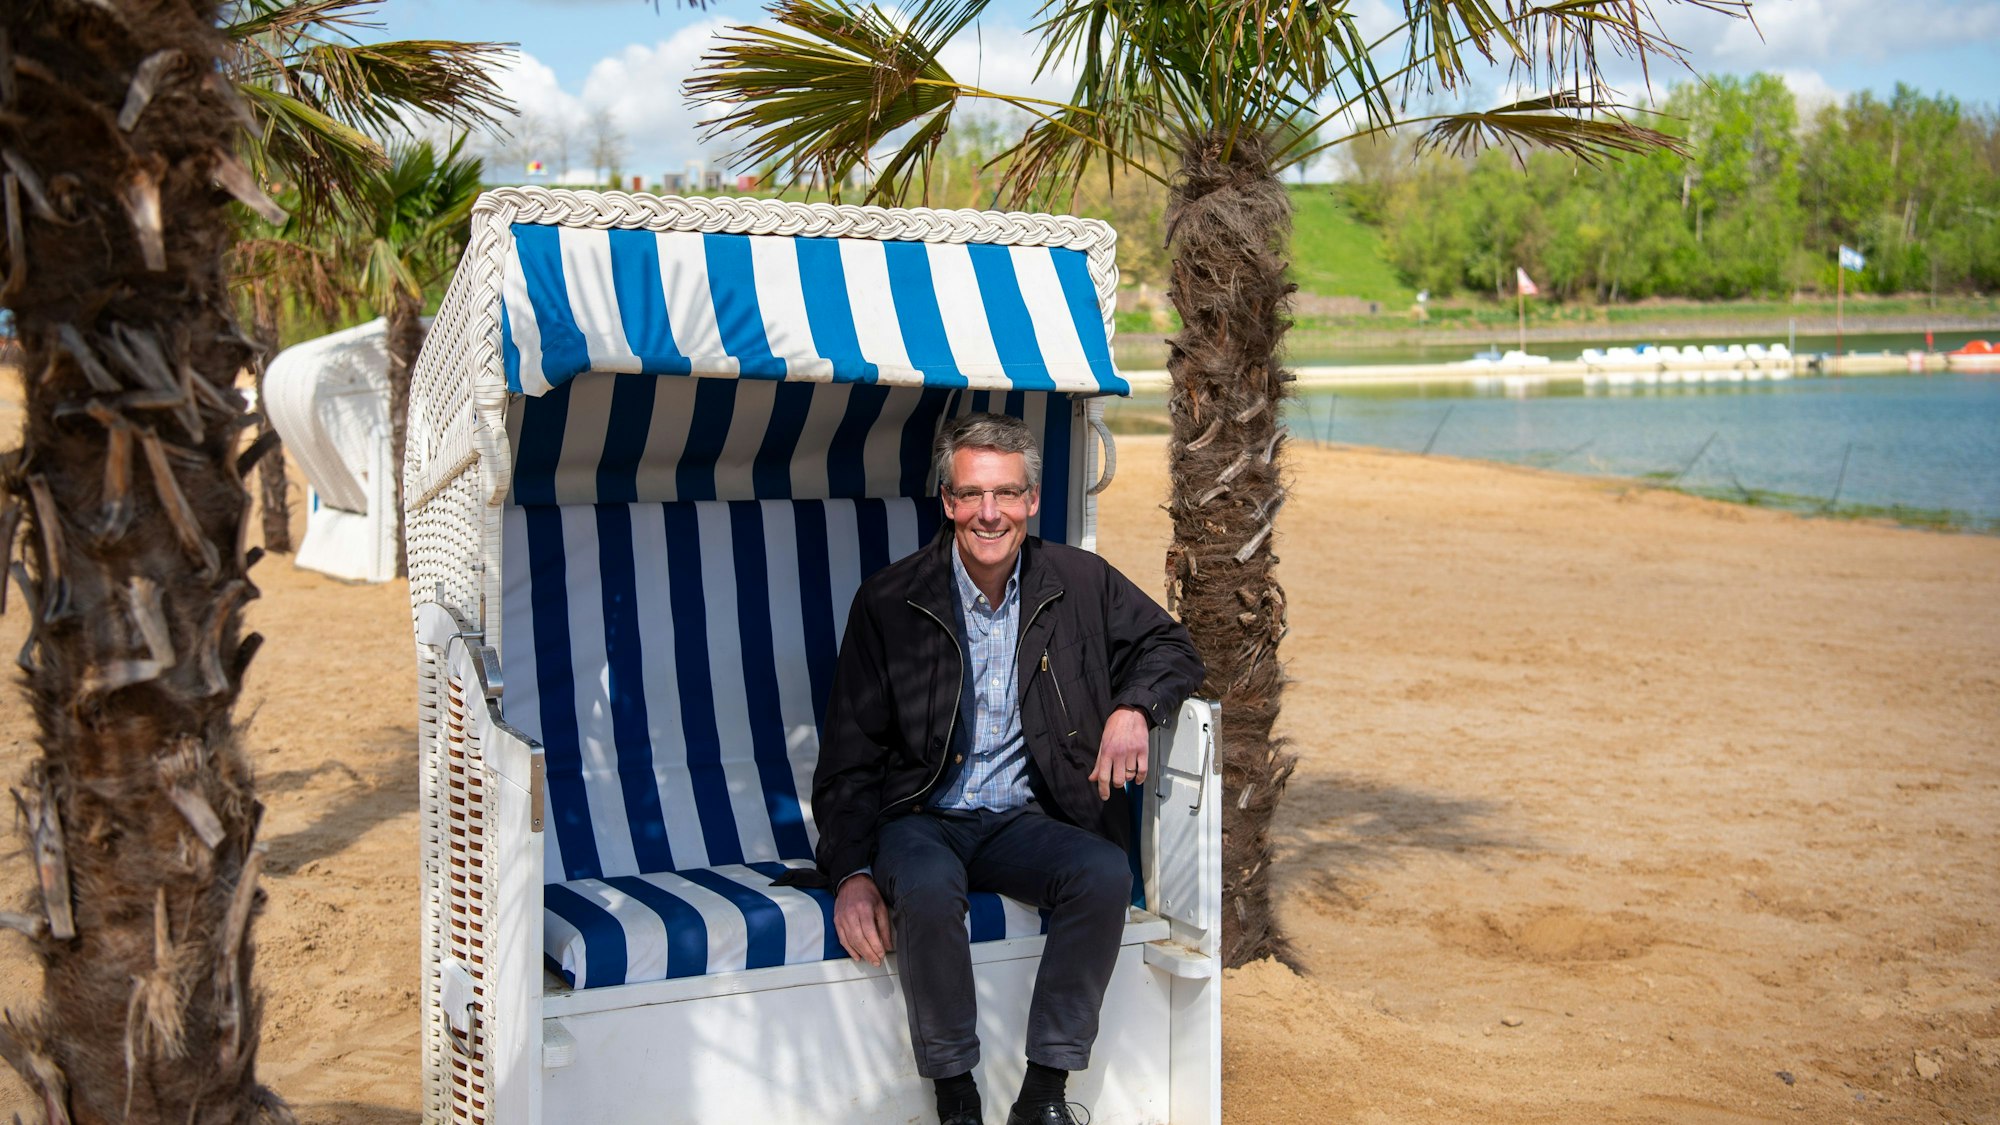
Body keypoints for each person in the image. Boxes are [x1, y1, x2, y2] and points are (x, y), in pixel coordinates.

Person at [811, 412, 1204, 1125]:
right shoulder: (891, 600)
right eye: (971, 494)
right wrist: (850, 874)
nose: (988, 513)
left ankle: (1043, 1096)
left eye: (1005, 494)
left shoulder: (1078, 580)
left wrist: (1135, 708)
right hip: (923, 818)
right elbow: (848, 757)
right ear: (949, 502)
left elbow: (1173, 648)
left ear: (1030, 501)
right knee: (926, 889)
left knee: (1103, 871)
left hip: (1029, 818)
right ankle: (957, 1098)